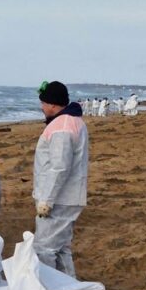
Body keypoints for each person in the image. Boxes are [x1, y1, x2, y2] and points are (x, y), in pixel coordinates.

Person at [33, 81, 89, 277]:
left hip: (60, 199)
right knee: (61, 248)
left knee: (44, 249)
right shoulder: (70, 121)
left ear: (52, 104)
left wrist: (46, 201)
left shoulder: (62, 126)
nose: (41, 107)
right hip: (65, 196)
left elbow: (60, 166)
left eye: (43, 103)